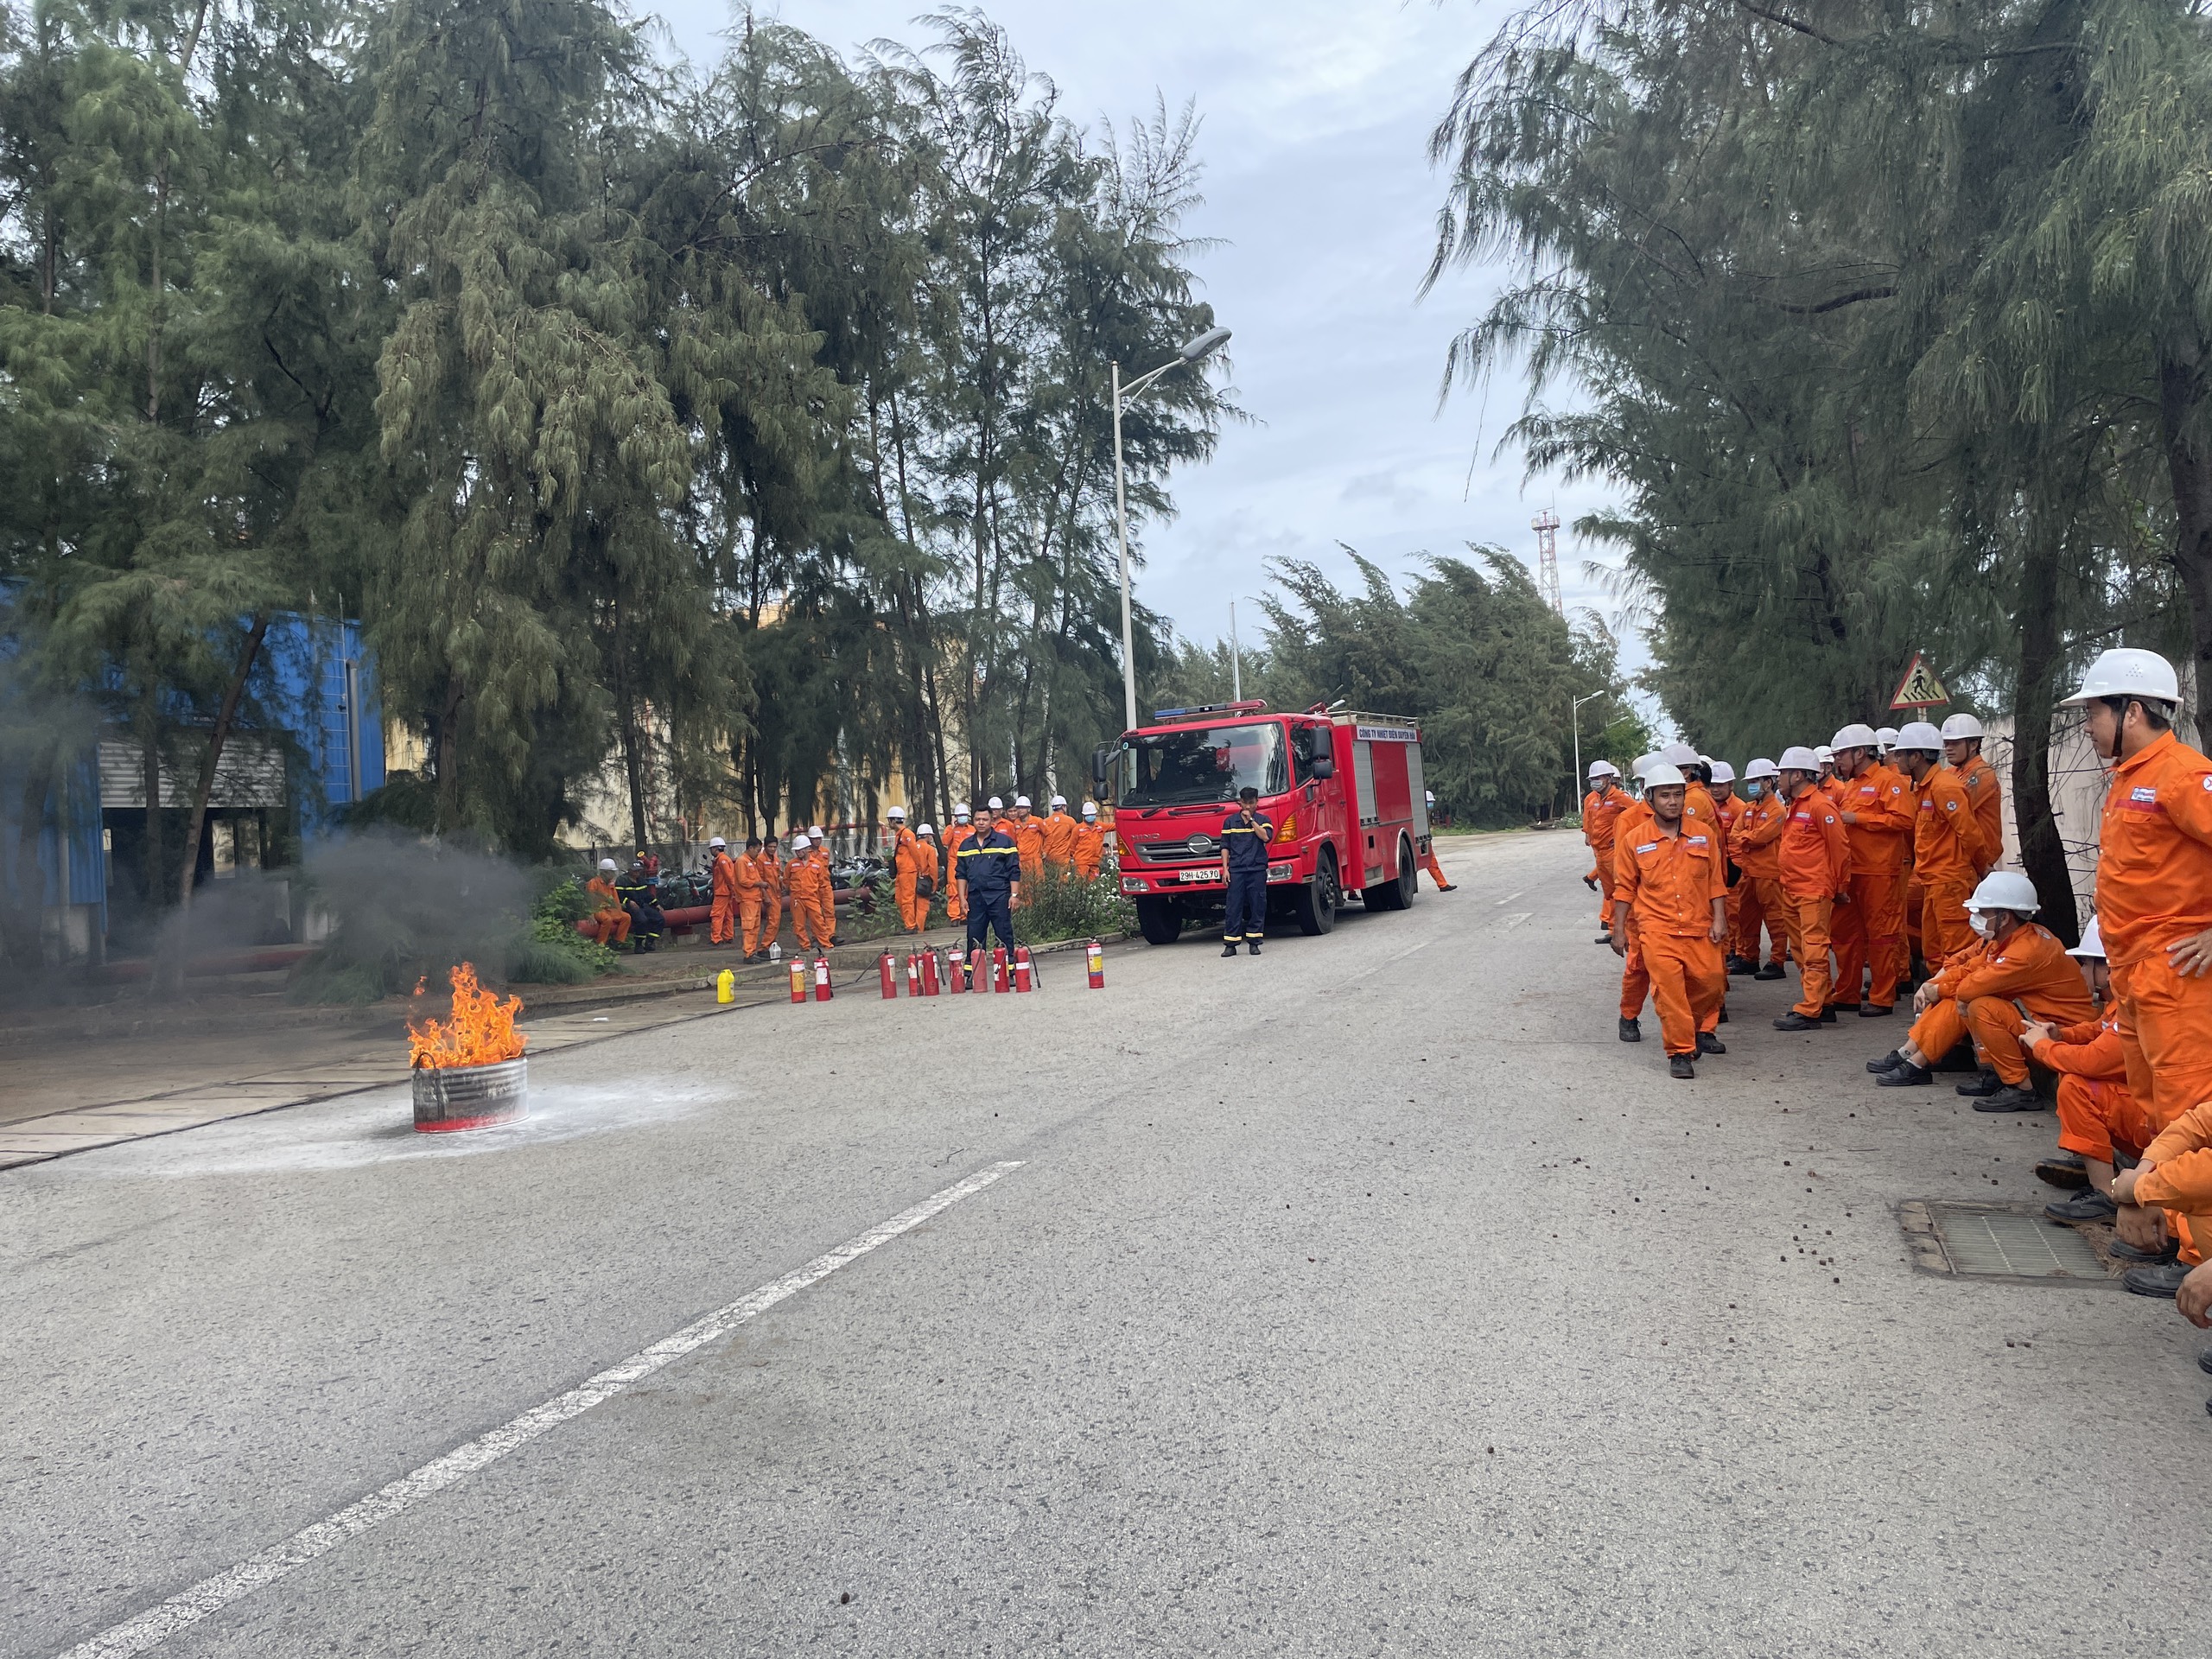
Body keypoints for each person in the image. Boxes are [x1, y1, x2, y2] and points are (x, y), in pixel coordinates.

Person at [2063, 647, 2212, 1153]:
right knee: (2151, 1106)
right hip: (2134, 973)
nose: (2086, 726)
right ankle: (2160, 1219)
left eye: (2092, 712)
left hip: (2176, 976)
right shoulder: (2130, 777)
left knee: (2185, 1110)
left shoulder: (2185, 775)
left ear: (2131, 711)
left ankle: (2189, 1230)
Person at [1868, 870, 2094, 1109]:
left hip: (2060, 1037)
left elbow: (1968, 988)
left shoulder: (2024, 952)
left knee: (1979, 1005)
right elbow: (1969, 967)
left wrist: (1939, 988)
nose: (1975, 917)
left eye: (1982, 912)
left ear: (2004, 918)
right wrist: (1934, 985)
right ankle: (1914, 1057)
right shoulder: (2010, 940)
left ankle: (2021, 1088)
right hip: (2043, 1028)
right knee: (1962, 996)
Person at [1609, 762, 1728, 1079]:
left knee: (1712, 982)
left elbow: (1716, 881)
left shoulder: (1702, 835)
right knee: (1670, 992)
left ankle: (1688, 1028)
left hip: (1699, 926)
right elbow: (1624, 888)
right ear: (1649, 798)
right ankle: (1680, 1052)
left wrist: (1720, 920)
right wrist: (1617, 929)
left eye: (1678, 794)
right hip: (1656, 930)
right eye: (1665, 796)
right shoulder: (1634, 839)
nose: (1673, 801)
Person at [2026, 921, 2147, 1223]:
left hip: (2161, 1127)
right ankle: (2097, 1161)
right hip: (2162, 1119)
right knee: (2073, 1076)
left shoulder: (2135, 1005)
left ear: (2108, 969)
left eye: (2085, 963)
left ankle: (2106, 1194)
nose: (2080, 971)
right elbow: (2100, 1029)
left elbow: (2094, 1060)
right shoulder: (2127, 997)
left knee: (2077, 1085)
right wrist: (2062, 1036)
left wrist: (2042, 1048)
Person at [1827, 723, 1914, 1017]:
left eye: (1841, 755)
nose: (1837, 761)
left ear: (1860, 752)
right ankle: (1847, 993)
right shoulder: (1850, 786)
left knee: (1881, 936)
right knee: (1845, 935)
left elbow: (1904, 820)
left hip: (1879, 871)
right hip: (1852, 872)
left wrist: (1859, 818)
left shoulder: (1889, 782)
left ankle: (1882, 996)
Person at [1893, 719, 1986, 969]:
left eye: (1900, 754)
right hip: (1933, 880)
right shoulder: (1926, 788)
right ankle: (1940, 1004)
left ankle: (1958, 1004)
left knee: (1957, 951)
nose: (1896, 760)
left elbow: (1970, 833)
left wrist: (1983, 868)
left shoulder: (1945, 788)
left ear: (1916, 757)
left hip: (1950, 882)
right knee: (1933, 951)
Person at [1770, 747, 1849, 1032]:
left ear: (1799, 775)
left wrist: (1841, 886)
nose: (1778, 779)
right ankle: (1822, 1001)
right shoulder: (1796, 805)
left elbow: (1840, 848)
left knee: (1814, 948)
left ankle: (1811, 1009)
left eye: (1783, 773)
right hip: (1793, 888)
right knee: (1802, 949)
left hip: (1813, 890)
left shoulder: (1820, 806)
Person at [1729, 759, 1788, 978]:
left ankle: (1777, 961)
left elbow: (1763, 836)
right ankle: (1749, 958)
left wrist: (1747, 838)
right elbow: (1735, 836)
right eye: (1750, 781)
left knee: (1775, 919)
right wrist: (1749, 838)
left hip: (1769, 874)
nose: (1752, 785)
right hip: (1748, 872)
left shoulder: (1777, 810)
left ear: (1768, 782)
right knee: (1746, 917)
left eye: (1755, 781)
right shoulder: (1748, 809)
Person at [956, 799, 1021, 958]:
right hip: (976, 898)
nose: (981, 823)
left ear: (991, 821)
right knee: (974, 936)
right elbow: (961, 874)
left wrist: (1014, 895)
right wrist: (962, 898)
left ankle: (1009, 970)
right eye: (978, 819)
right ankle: (973, 974)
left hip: (999, 896)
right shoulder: (966, 846)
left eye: (985, 819)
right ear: (973, 821)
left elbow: (1014, 870)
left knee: (1004, 934)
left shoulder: (1005, 842)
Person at [1942, 713, 2003, 875]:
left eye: (1954, 743)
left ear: (1973, 744)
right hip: (1959, 859)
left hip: (1976, 862)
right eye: (1946, 743)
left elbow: (1948, 810)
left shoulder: (1982, 773)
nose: (1948, 748)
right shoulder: (1952, 772)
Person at [1218, 785, 1274, 957]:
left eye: (1251, 803)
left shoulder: (1263, 819)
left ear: (1257, 802)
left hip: (1256, 868)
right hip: (1236, 870)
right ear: (1240, 803)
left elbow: (1265, 837)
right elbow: (1225, 846)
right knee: (1233, 906)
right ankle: (1231, 944)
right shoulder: (1230, 822)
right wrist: (1225, 869)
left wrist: (1251, 821)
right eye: (1245, 803)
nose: (1248, 807)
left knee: (1258, 905)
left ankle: (1254, 942)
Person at [1583, 761, 1629, 942]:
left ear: (1609, 779)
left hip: (1613, 852)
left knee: (1621, 891)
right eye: (1592, 779)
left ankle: (1623, 931)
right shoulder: (1593, 799)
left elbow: (1639, 814)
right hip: (1600, 852)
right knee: (1610, 893)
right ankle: (1614, 929)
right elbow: (1590, 821)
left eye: (1598, 778)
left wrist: (1623, 838)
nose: (1595, 782)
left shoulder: (1620, 797)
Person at [734, 836, 773, 961]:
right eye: (757, 850)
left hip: (755, 899)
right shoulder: (742, 861)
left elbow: (756, 878)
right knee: (749, 926)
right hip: (747, 899)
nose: (758, 853)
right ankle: (748, 953)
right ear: (750, 848)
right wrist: (759, 884)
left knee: (755, 927)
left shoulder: (751, 862)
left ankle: (752, 951)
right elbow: (743, 880)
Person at [616, 852, 664, 954]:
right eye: (635, 871)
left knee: (659, 919)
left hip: (642, 906)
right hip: (629, 908)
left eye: (639, 871)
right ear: (629, 871)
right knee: (642, 920)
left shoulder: (641, 880)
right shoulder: (621, 880)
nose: (637, 873)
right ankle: (638, 945)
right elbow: (618, 896)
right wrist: (628, 902)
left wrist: (657, 904)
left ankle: (649, 942)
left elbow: (647, 895)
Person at [883, 806, 922, 933]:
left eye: (890, 820)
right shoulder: (899, 835)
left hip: (908, 871)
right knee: (899, 899)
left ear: (894, 820)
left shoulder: (907, 834)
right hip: (901, 872)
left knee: (907, 899)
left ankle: (910, 926)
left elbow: (915, 852)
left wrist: (919, 868)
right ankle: (908, 924)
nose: (889, 823)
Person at [896, 815, 938, 932]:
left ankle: (910, 925)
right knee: (922, 907)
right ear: (928, 836)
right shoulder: (929, 849)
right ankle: (918, 930)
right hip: (923, 880)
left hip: (909, 876)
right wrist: (934, 884)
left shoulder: (911, 845)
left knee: (909, 903)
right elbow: (933, 868)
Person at [583, 858, 632, 949]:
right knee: (607, 920)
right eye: (612, 872)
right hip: (597, 909)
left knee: (626, 917)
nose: (613, 875)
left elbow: (615, 900)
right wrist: (590, 914)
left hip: (609, 909)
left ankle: (618, 942)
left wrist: (619, 911)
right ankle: (601, 945)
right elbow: (589, 900)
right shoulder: (593, 883)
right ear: (605, 872)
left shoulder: (611, 884)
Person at [1418, 791, 1456, 891]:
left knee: (1431, 863)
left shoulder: (1424, 813)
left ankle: (1442, 884)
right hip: (1421, 842)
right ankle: (1442, 884)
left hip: (1423, 841)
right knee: (1431, 862)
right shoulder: (1419, 814)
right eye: (1429, 802)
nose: (1431, 805)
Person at [943, 805, 973, 925]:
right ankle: (955, 917)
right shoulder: (950, 829)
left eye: (964, 815)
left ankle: (965, 915)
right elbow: (945, 841)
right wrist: (952, 828)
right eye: (960, 816)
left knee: (968, 890)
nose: (962, 818)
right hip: (954, 863)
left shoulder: (972, 829)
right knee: (953, 890)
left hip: (970, 862)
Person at [707, 836, 739, 947]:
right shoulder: (724, 859)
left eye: (711, 848)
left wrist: (732, 889)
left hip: (722, 892)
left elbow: (729, 877)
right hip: (726, 891)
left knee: (717, 915)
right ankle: (728, 936)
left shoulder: (721, 860)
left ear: (716, 848)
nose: (711, 851)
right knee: (728, 914)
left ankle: (716, 938)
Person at [1040, 795, 1078, 876]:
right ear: (1064, 807)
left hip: (1049, 857)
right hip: (1063, 858)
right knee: (1063, 882)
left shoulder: (1045, 821)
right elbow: (1076, 838)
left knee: (1051, 881)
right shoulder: (1070, 821)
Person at [1072, 801, 1105, 880]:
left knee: (1094, 886)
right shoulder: (1078, 829)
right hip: (1082, 863)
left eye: (1092, 814)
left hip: (1095, 863)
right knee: (1081, 884)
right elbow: (1072, 846)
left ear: (1095, 814)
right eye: (1088, 815)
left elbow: (1115, 826)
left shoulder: (1100, 826)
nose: (1090, 816)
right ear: (1084, 815)